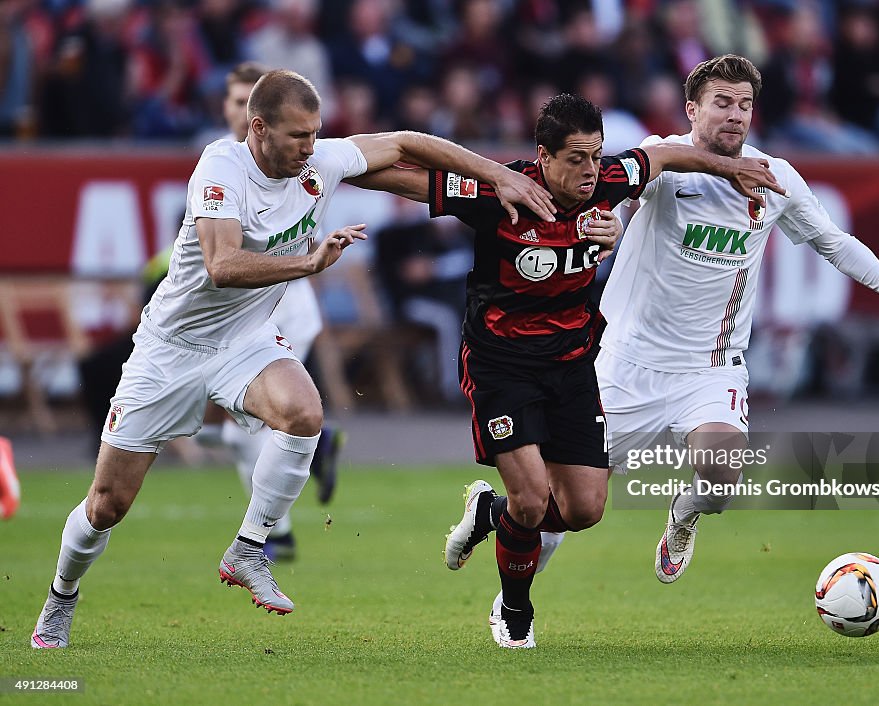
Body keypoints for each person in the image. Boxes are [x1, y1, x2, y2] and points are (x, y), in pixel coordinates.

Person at [30, 68, 557, 649]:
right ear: (258, 129)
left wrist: (498, 176)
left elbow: (406, 146)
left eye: (316, 134)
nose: (311, 148)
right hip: (170, 350)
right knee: (108, 505)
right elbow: (222, 265)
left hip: (244, 340)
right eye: (298, 136)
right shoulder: (220, 168)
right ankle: (62, 595)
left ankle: (249, 548)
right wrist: (308, 264)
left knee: (305, 412)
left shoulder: (317, 162)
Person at [349, 92, 785, 648]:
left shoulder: (607, 183)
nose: (588, 171)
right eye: (575, 158)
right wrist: (326, 166)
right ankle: (514, 609)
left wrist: (734, 167)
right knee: (531, 502)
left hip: (573, 366)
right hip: (500, 365)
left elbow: (670, 157)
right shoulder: (498, 192)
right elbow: (395, 176)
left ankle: (489, 511)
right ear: (543, 156)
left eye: (595, 155)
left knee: (582, 510)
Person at [561, 54, 879, 588]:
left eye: (745, 105)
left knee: (721, 478)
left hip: (710, 367)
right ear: (691, 108)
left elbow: (833, 242)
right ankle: (510, 585)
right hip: (628, 363)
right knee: (572, 507)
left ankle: (683, 513)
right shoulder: (660, 159)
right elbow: (611, 195)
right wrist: (602, 225)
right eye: (722, 103)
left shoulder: (774, 177)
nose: (736, 115)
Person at [207, 61, 341, 561]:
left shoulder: (296, 161)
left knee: (248, 430)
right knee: (226, 433)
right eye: (235, 100)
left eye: (249, 99)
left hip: (284, 308)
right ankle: (318, 445)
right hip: (236, 312)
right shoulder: (221, 163)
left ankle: (273, 536)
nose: (241, 110)